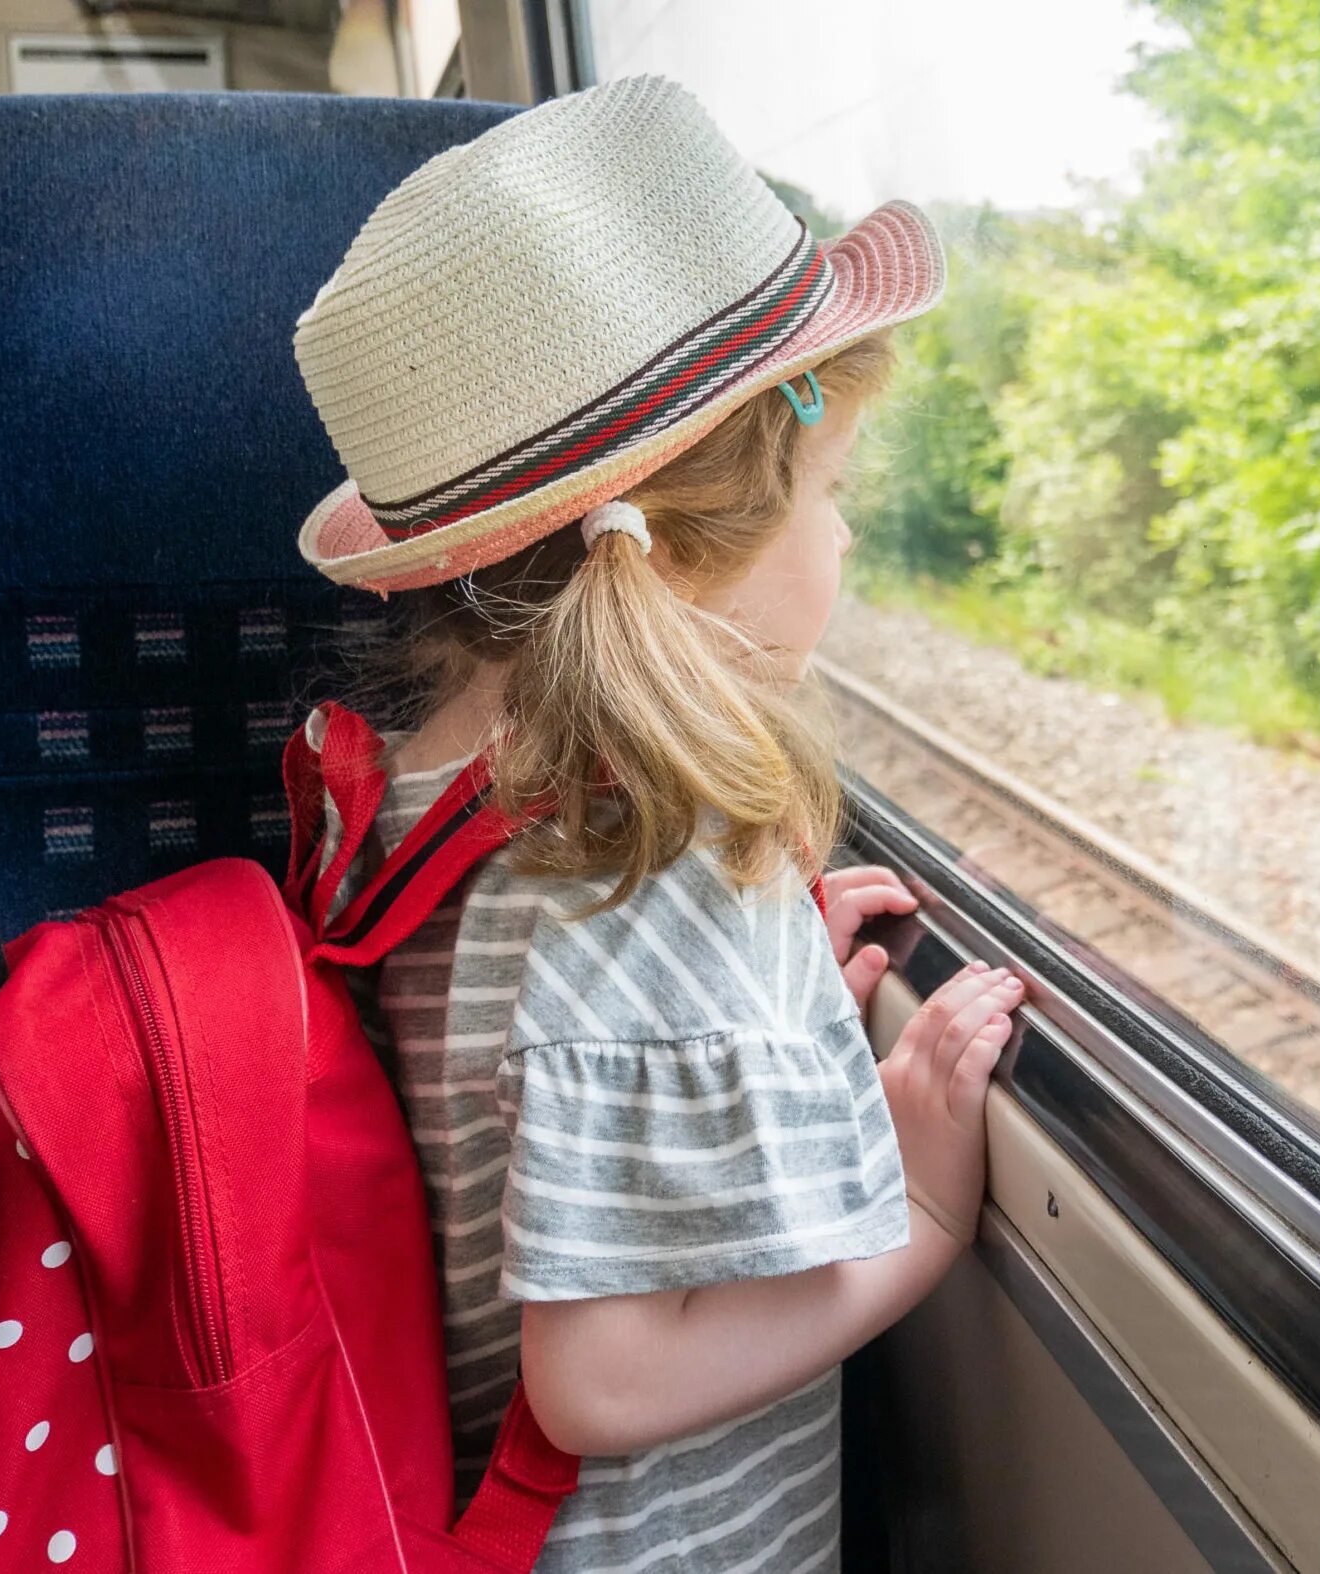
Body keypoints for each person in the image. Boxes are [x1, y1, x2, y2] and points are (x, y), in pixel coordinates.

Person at [285, 74, 1013, 1570]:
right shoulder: (646, 862)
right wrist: (923, 1215)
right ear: (684, 550)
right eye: (831, 486)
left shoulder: (422, 790)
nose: (850, 530)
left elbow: (522, 1096)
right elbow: (603, 1377)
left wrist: (761, 1019)